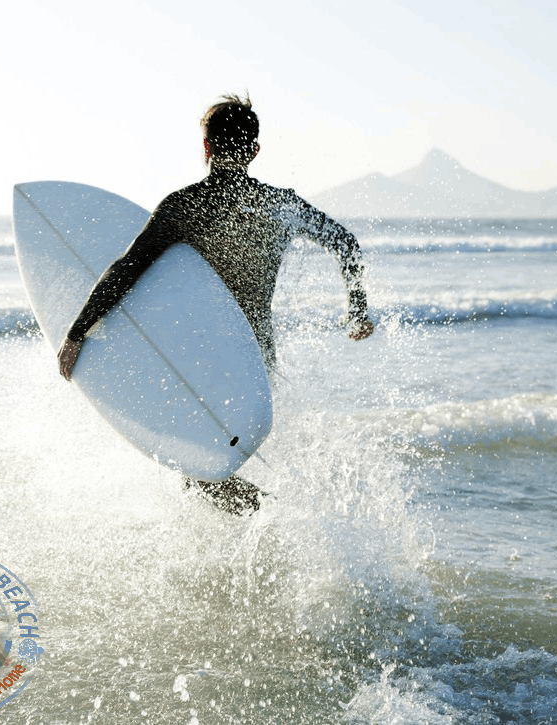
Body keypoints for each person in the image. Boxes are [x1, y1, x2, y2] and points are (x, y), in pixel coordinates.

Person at [57, 94, 375, 514]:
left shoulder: (184, 205)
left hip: (201, 354)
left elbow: (127, 269)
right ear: (255, 151)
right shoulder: (280, 204)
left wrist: (77, 332)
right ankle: (275, 520)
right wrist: (357, 310)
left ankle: (270, 517)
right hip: (257, 356)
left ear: (206, 146)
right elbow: (345, 243)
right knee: (223, 458)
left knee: (197, 468)